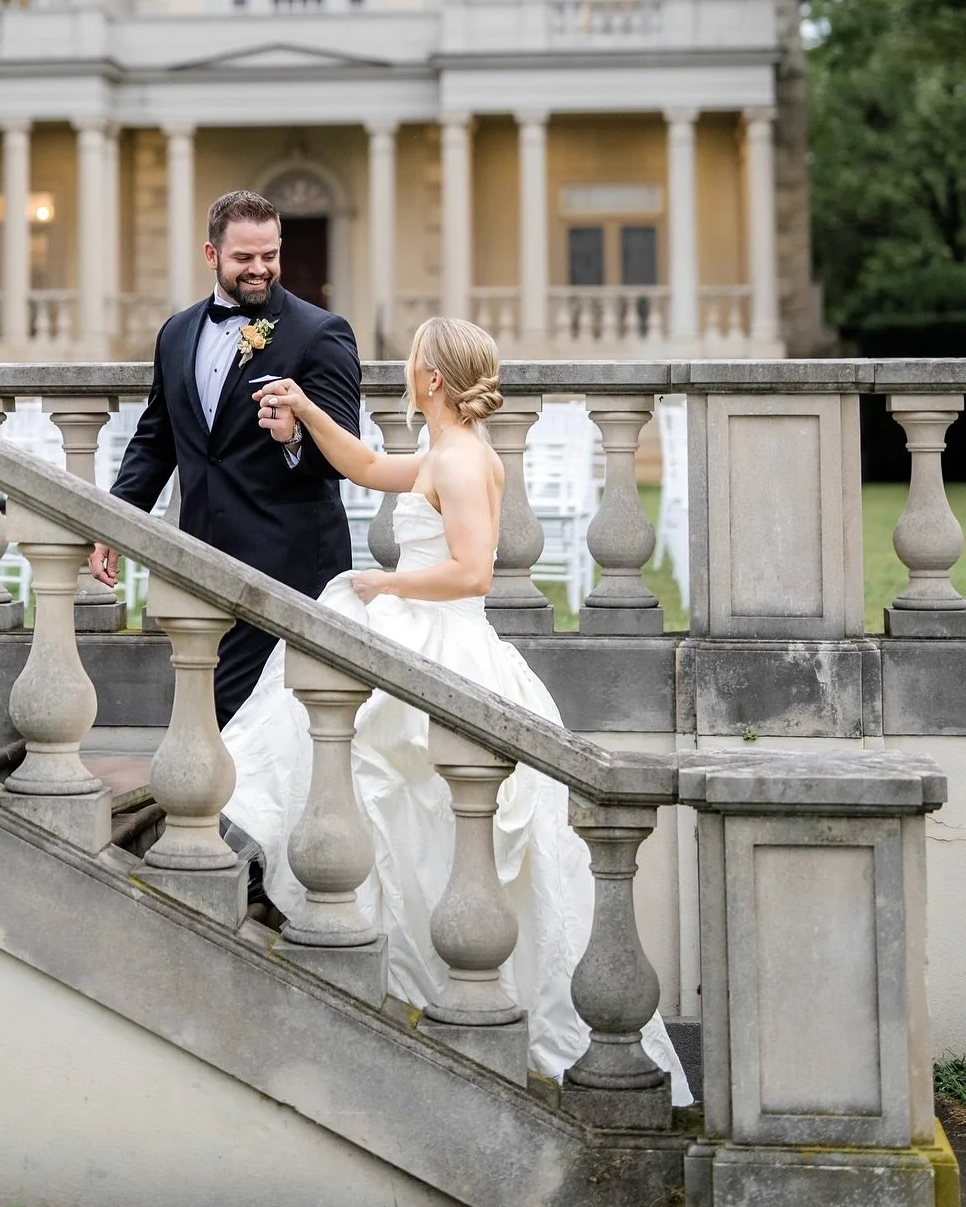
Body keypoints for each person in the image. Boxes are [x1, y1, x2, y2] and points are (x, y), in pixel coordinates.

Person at [228, 315, 688, 1098]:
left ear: (432, 379)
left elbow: (474, 573)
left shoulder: (467, 461)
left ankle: (431, 981)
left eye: (413, 363)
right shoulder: (446, 450)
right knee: (384, 802)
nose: (407, 372)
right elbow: (370, 465)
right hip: (417, 630)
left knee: (419, 810)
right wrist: (306, 412)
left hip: (443, 642)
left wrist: (384, 584)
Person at [90, 188, 362, 725]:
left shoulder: (321, 334)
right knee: (217, 707)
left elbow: (347, 454)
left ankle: (216, 810)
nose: (260, 270)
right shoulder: (176, 333)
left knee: (242, 714)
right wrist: (113, 524)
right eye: (244, 258)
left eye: (270, 256)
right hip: (203, 559)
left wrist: (292, 439)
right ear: (212, 255)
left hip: (290, 565)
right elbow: (155, 440)